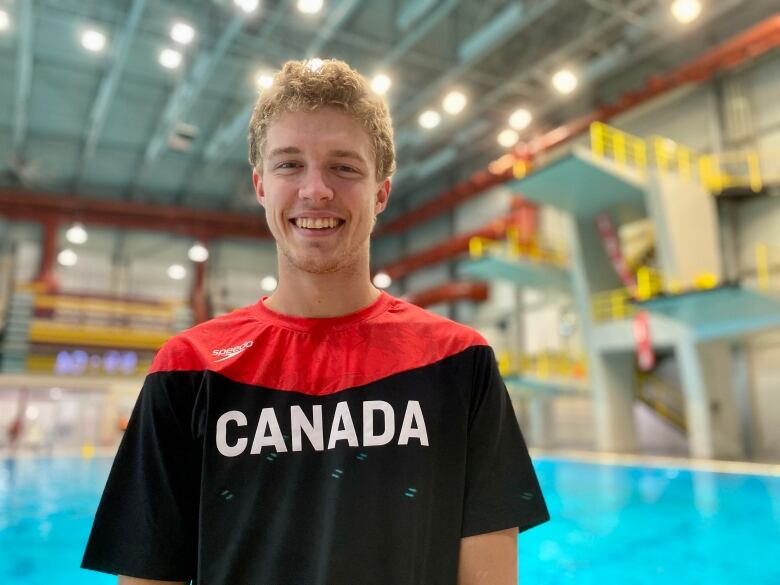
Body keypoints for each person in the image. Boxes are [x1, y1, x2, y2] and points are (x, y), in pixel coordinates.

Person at [81, 59, 549, 585]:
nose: (316, 189)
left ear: (380, 193)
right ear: (260, 185)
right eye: (289, 165)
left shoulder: (458, 361)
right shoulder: (188, 368)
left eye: (344, 167)